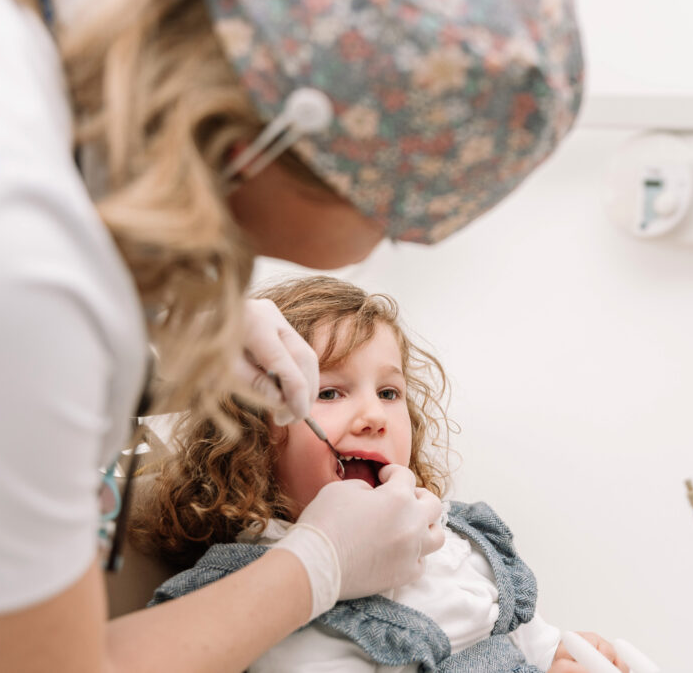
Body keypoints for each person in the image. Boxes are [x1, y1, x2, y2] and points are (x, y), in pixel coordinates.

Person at [0, 0, 584, 670]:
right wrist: (316, 567)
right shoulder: (19, 264)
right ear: (282, 139)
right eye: (395, 216)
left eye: (390, 393)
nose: (387, 247)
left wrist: (148, 371)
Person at [134, 275, 629, 673]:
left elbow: (528, 639)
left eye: (389, 393)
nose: (374, 415)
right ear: (249, 439)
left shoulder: (461, 546)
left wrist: (562, 657)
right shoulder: (253, 591)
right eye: (329, 393)